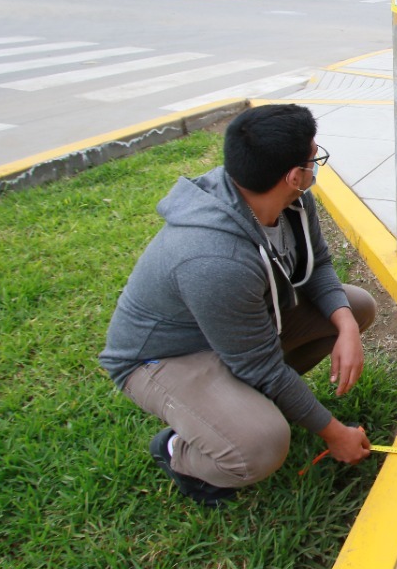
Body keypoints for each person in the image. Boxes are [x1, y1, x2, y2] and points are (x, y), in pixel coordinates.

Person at [99, 104, 377, 507]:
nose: (316, 166)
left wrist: (347, 328)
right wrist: (336, 434)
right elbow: (261, 366)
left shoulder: (291, 200)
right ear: (294, 175)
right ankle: (177, 450)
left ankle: (243, 404)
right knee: (262, 446)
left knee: (355, 307)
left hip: (235, 332)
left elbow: (318, 264)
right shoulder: (216, 260)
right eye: (314, 157)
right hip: (164, 357)